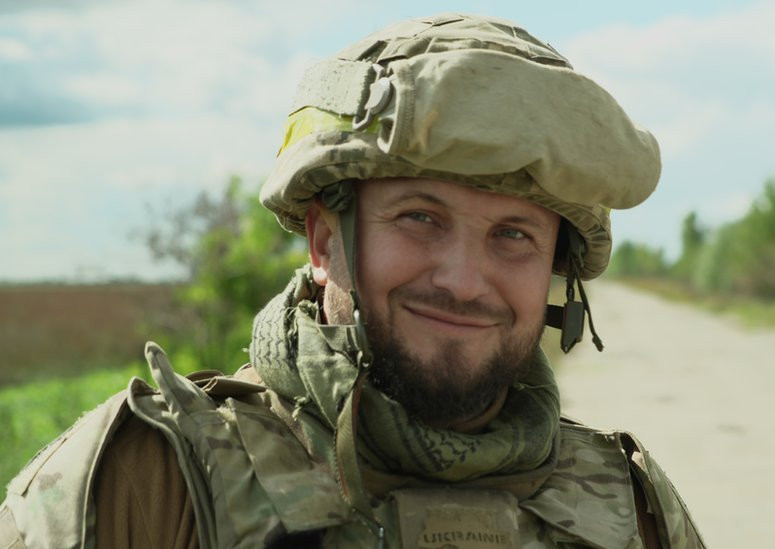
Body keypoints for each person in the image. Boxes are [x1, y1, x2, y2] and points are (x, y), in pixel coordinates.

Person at [0, 14, 705, 548]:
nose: (465, 281)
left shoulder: (627, 508)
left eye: (513, 235)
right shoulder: (149, 485)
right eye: (420, 217)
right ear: (324, 238)